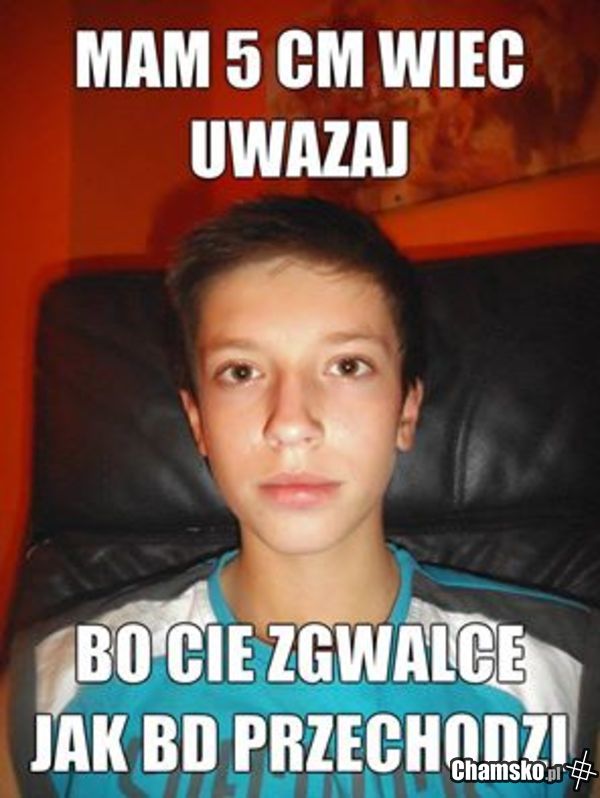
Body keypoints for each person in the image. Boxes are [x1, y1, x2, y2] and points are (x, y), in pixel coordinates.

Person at [2, 196, 597, 797]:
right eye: (241, 372)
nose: (291, 423)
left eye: (347, 366)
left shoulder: (565, 675)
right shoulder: (55, 687)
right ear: (199, 422)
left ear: (406, 411)